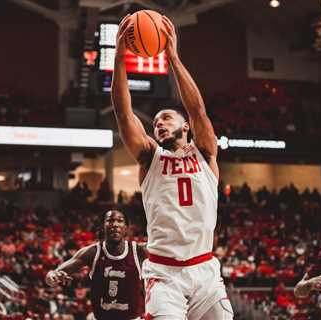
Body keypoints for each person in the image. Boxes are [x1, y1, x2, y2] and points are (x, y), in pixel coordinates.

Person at [111, 14, 233, 320]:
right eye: (155, 124)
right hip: (164, 273)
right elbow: (124, 115)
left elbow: (198, 109)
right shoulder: (150, 157)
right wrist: (119, 57)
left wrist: (173, 56)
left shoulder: (205, 153)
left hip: (205, 270)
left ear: (185, 127)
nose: (159, 124)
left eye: (166, 118)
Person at [45, 210, 147, 320]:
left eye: (120, 221)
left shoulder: (139, 251)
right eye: (110, 220)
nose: (115, 224)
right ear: (102, 227)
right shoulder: (92, 253)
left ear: (126, 228)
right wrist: (52, 277)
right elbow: (52, 274)